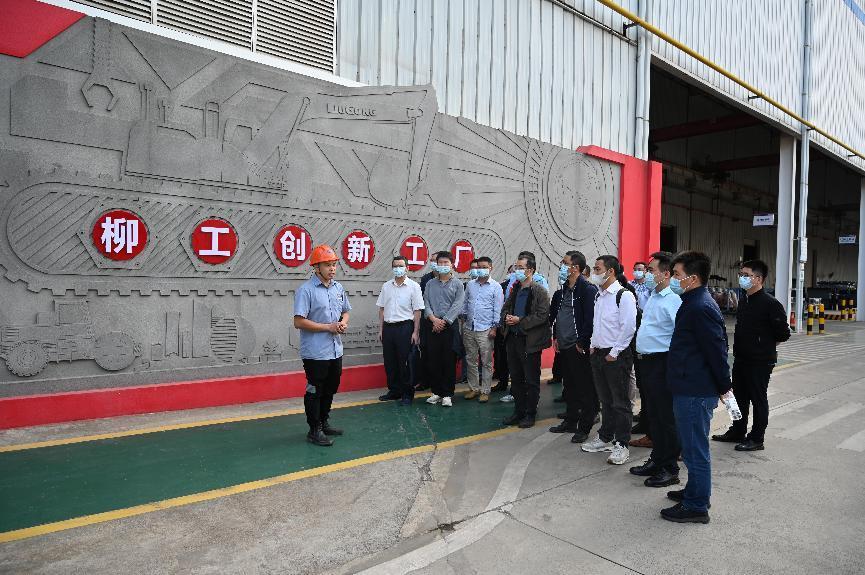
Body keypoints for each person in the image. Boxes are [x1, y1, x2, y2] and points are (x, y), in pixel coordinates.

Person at [661, 251, 732, 524]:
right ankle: (694, 491)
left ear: (692, 278)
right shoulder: (692, 302)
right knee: (691, 448)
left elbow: (717, 351)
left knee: (694, 450)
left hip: (695, 390)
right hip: (688, 386)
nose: (673, 279)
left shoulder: (700, 307)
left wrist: (725, 387)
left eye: (676, 275)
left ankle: (697, 506)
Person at [712, 259, 790, 451]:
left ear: (759, 279)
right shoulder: (744, 300)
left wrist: (762, 345)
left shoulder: (771, 304)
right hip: (741, 359)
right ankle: (737, 430)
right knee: (736, 398)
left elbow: (783, 334)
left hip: (760, 361)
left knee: (758, 398)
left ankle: (756, 438)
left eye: (746, 275)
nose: (742, 278)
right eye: (741, 275)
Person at [628, 252, 683, 487]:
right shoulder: (653, 296)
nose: (647, 274)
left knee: (666, 418)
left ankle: (670, 468)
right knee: (654, 416)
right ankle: (657, 459)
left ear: (666, 274)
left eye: (651, 270)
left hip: (663, 363)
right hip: (647, 363)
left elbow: (680, 337)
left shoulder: (673, 300)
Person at [580, 255, 637, 465]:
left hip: (616, 356)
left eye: (597, 269)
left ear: (610, 271)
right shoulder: (599, 295)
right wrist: (593, 345)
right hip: (598, 354)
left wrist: (614, 352)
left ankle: (622, 444)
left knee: (620, 402)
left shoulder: (624, 295)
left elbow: (628, 327)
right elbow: (598, 324)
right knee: (606, 400)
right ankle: (605, 437)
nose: (594, 272)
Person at [293, 245, 351, 447]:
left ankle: (324, 422)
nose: (332, 268)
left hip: (335, 350)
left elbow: (346, 311)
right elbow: (298, 321)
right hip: (315, 352)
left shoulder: (338, 288)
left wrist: (343, 323)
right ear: (316, 267)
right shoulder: (306, 290)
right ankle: (314, 429)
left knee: (331, 387)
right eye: (327, 265)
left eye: (334, 264)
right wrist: (328, 327)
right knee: (315, 390)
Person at [548, 250, 599, 443]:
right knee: (569, 386)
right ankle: (570, 421)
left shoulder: (587, 290)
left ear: (575, 268)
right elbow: (558, 316)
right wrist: (556, 336)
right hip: (564, 344)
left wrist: (582, 342)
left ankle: (585, 426)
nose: (561, 266)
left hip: (578, 346)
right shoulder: (563, 291)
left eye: (564, 263)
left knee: (585, 388)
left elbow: (590, 320)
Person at [500, 255, 551, 428]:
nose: (517, 270)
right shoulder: (515, 289)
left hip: (530, 342)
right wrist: (506, 318)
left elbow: (542, 315)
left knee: (531, 380)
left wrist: (520, 320)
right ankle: (519, 411)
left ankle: (530, 414)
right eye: (516, 267)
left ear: (530, 270)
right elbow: (505, 308)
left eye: (521, 267)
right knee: (516, 379)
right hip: (513, 340)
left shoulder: (539, 291)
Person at [377, 255, 424, 405]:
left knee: (405, 362)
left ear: (407, 268)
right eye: (395, 266)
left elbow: (417, 311)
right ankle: (394, 391)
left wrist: (415, 332)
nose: (398, 268)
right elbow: (382, 309)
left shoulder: (414, 286)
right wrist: (381, 329)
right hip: (388, 328)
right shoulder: (386, 286)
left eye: (401, 266)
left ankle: (407, 394)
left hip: (405, 328)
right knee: (390, 362)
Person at [423, 251, 465, 407]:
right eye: (440, 263)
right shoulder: (430, 283)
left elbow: (458, 304)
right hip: (432, 326)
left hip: (449, 327)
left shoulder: (458, 284)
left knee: (448, 361)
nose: (442, 265)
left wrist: (444, 321)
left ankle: (447, 394)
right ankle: (436, 392)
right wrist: (434, 320)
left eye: (445, 263)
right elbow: (426, 303)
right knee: (434, 360)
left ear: (452, 264)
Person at [461, 256, 504, 403]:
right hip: (469, 328)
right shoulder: (470, 285)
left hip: (486, 329)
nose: (481, 269)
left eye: (484, 267)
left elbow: (498, 309)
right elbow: (465, 303)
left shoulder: (496, 287)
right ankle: (474, 388)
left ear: (491, 268)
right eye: (479, 267)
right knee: (471, 360)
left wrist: (494, 328)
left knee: (486, 362)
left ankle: (485, 390)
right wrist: (463, 321)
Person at [491, 265, 513, 395]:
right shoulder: (502, 286)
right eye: (512, 271)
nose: (514, 273)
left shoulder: (532, 286)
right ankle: (502, 381)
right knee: (501, 355)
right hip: (503, 326)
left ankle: (516, 388)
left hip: (516, 326)